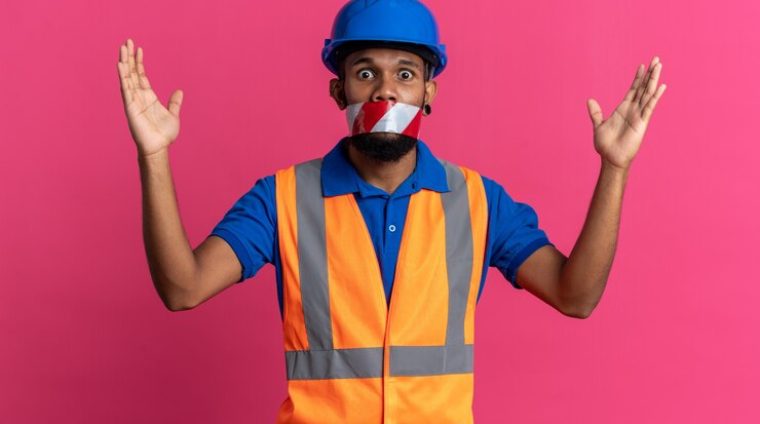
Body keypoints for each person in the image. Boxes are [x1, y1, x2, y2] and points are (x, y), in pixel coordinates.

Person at [117, 1, 666, 422]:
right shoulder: (280, 197)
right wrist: (154, 155)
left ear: (429, 91)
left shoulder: (478, 200)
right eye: (366, 73)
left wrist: (615, 168)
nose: (386, 91)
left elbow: (577, 296)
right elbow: (182, 289)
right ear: (339, 91)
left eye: (405, 74)